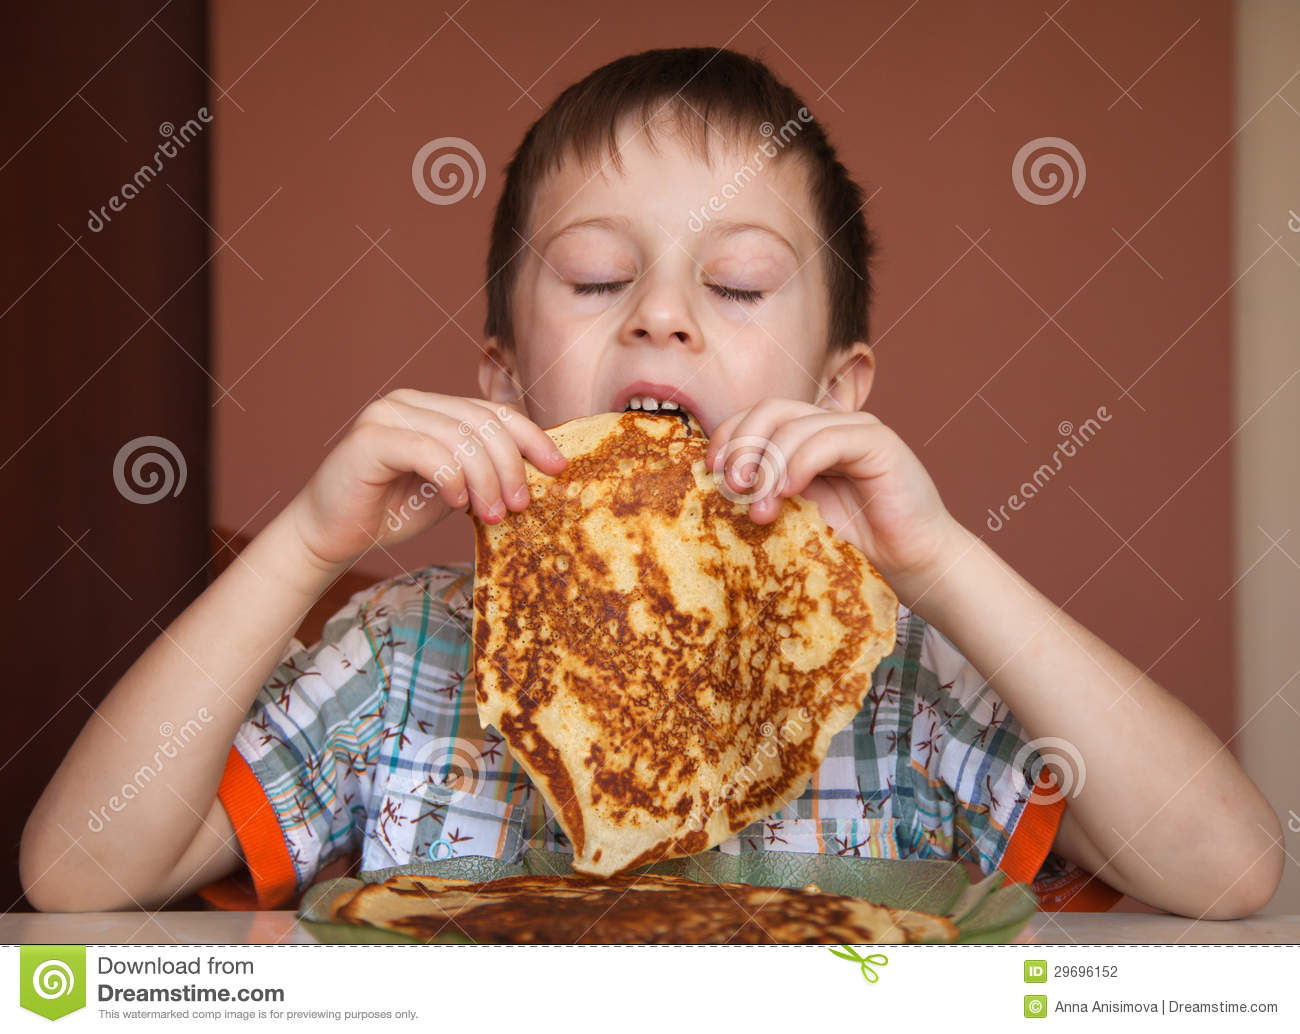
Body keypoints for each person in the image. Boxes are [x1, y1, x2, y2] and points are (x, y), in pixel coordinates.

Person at [21, 47, 1282, 922]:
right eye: (591, 277)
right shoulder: (404, 660)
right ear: (506, 381)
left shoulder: (897, 677)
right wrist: (300, 544)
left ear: (840, 393)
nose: (663, 316)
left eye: (733, 286)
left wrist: (941, 563)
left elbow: (1225, 870)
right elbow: (76, 875)